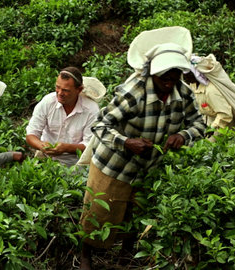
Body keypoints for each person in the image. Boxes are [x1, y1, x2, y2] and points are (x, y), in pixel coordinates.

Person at [79, 26, 206, 270]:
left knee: (135, 216)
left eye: (174, 76)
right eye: (164, 78)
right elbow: (100, 125)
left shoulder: (183, 93)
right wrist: (127, 142)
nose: (169, 83)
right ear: (153, 74)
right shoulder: (133, 93)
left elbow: (199, 123)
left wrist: (183, 134)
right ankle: (86, 256)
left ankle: (124, 257)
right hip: (113, 166)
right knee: (98, 213)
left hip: (149, 168)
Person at [25, 67, 102, 167]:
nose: (60, 93)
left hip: (75, 165)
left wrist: (67, 148)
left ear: (79, 90)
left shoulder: (91, 110)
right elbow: (31, 134)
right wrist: (41, 146)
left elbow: (90, 145)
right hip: (46, 159)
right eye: (57, 87)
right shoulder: (48, 102)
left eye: (66, 90)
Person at [183, 54, 235, 141]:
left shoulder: (211, 91)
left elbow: (225, 114)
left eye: (187, 74)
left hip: (223, 129)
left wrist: (213, 128)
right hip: (208, 124)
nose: (185, 77)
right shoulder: (194, 85)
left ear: (195, 74)